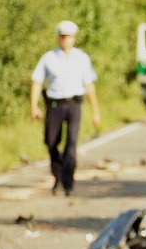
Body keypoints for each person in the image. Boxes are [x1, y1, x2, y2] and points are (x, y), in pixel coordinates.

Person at [30, 20, 101, 197]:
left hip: (74, 104)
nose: (64, 40)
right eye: (62, 37)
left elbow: (89, 86)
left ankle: (68, 182)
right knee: (51, 142)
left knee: (71, 144)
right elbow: (37, 81)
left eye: (68, 37)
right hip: (54, 104)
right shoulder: (49, 58)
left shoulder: (82, 58)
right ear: (58, 38)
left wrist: (95, 111)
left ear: (73, 39)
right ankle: (58, 176)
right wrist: (34, 106)